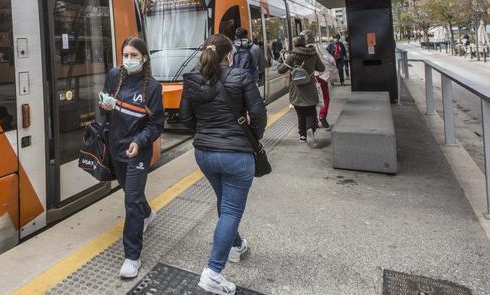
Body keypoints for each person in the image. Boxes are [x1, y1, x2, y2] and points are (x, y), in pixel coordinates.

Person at [179, 34, 266, 295]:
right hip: (236, 155)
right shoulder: (241, 77)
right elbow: (259, 114)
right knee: (230, 210)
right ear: (229, 55)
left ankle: (236, 246)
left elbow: (185, 118)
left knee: (224, 202)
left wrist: (205, 133)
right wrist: (252, 137)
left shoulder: (192, 80)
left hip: (205, 155)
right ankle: (213, 272)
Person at [99, 37, 165, 280]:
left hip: (138, 150)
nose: (128, 60)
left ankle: (132, 257)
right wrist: (105, 110)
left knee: (131, 201)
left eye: (134, 56)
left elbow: (157, 124)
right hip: (116, 147)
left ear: (144, 58)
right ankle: (147, 215)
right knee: (130, 193)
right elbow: (104, 105)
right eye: (125, 55)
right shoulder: (114, 76)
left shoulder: (153, 88)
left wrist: (140, 141)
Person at [279, 35, 325, 144]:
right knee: (310, 111)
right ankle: (310, 128)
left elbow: (281, 70)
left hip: (297, 89)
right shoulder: (313, 54)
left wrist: (282, 58)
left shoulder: (292, 56)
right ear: (304, 43)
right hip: (310, 88)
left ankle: (303, 136)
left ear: (294, 44)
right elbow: (322, 68)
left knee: (300, 114)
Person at [302, 30, 337, 129]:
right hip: (320, 76)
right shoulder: (318, 47)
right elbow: (330, 59)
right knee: (325, 96)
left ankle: (314, 121)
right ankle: (322, 115)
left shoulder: (301, 49)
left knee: (311, 99)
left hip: (308, 77)